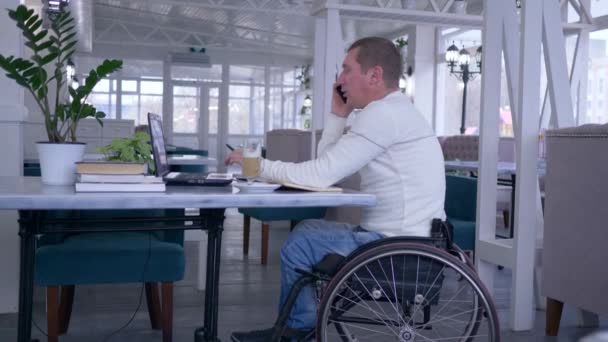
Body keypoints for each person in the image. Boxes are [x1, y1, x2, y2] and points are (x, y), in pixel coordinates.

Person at [227, 36, 446, 342]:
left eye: (346, 69)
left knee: (300, 244)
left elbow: (319, 176)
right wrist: (339, 115)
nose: (340, 79)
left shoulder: (384, 115)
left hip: (395, 246)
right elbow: (328, 167)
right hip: (409, 239)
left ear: (374, 75)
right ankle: (299, 328)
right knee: (307, 230)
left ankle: (297, 332)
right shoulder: (393, 112)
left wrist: (258, 165)